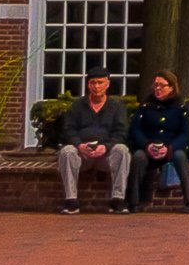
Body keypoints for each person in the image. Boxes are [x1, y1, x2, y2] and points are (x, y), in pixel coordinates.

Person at [52, 74, 130, 212]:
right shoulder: (77, 106)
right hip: (83, 154)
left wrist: (106, 146)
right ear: (88, 85)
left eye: (100, 82)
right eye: (93, 82)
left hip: (106, 155)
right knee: (67, 152)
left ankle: (118, 199)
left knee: (122, 150)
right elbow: (68, 131)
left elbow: (121, 133)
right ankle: (71, 200)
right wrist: (79, 145)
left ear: (108, 84)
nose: (96, 86)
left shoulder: (117, 107)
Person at [126, 72, 189, 213]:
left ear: (172, 88)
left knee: (180, 157)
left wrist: (170, 148)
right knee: (138, 157)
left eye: (162, 85)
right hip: (149, 148)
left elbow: (185, 133)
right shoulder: (146, 106)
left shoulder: (180, 108)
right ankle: (134, 202)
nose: (157, 88)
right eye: (156, 85)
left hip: (170, 149)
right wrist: (147, 145)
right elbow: (136, 130)